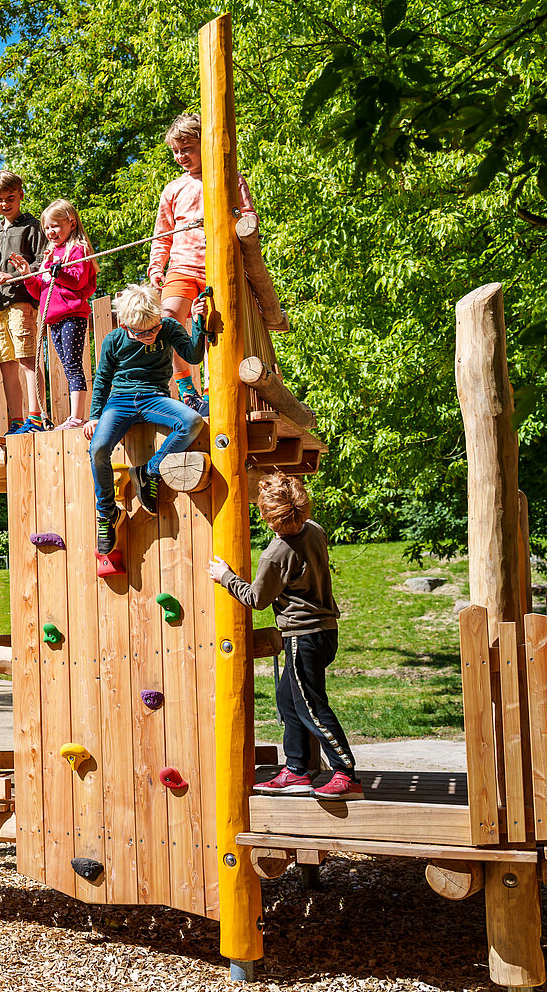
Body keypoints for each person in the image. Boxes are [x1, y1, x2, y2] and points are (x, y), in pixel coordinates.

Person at [209, 473, 360, 801]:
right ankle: (296, 770)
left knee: (311, 708)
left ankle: (346, 774)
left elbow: (256, 599)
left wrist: (226, 578)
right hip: (324, 633)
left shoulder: (276, 553)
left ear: (263, 515)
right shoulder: (315, 530)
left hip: (302, 637)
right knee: (288, 700)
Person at [82, 283, 206, 558]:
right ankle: (107, 513)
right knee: (98, 449)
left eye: (154, 329)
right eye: (141, 333)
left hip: (154, 396)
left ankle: (148, 471)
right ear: (125, 326)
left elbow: (193, 356)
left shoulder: (168, 328)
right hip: (121, 400)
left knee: (192, 421)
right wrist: (93, 417)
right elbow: (102, 380)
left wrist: (198, 322)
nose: (150, 335)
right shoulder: (114, 340)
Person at [148, 113, 258, 414]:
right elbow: (162, 234)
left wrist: (237, 221)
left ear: (203, 145)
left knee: (214, 328)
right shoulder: (173, 189)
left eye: (187, 149)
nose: (181, 156)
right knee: (167, 320)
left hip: (217, 269)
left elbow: (249, 216)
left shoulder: (229, 178)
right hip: (181, 267)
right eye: (176, 151)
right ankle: (186, 388)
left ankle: (212, 392)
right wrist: (157, 266)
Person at [0, 170, 46, 435]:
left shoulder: (33, 226)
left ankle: (36, 418)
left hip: (22, 302)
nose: (4, 204)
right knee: (6, 365)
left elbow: (42, 264)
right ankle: (17, 420)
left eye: (10, 198)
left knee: (27, 359)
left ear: (21, 195)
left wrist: (14, 275)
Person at [26, 200, 97, 431]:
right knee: (67, 364)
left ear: (71, 223)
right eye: (46, 227)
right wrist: (28, 275)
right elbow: (40, 289)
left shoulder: (78, 249)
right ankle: (74, 416)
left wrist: (61, 271)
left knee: (73, 364)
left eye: (55, 226)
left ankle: (77, 417)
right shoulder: (50, 254)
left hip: (72, 314)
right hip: (53, 317)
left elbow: (78, 281)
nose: (50, 232)